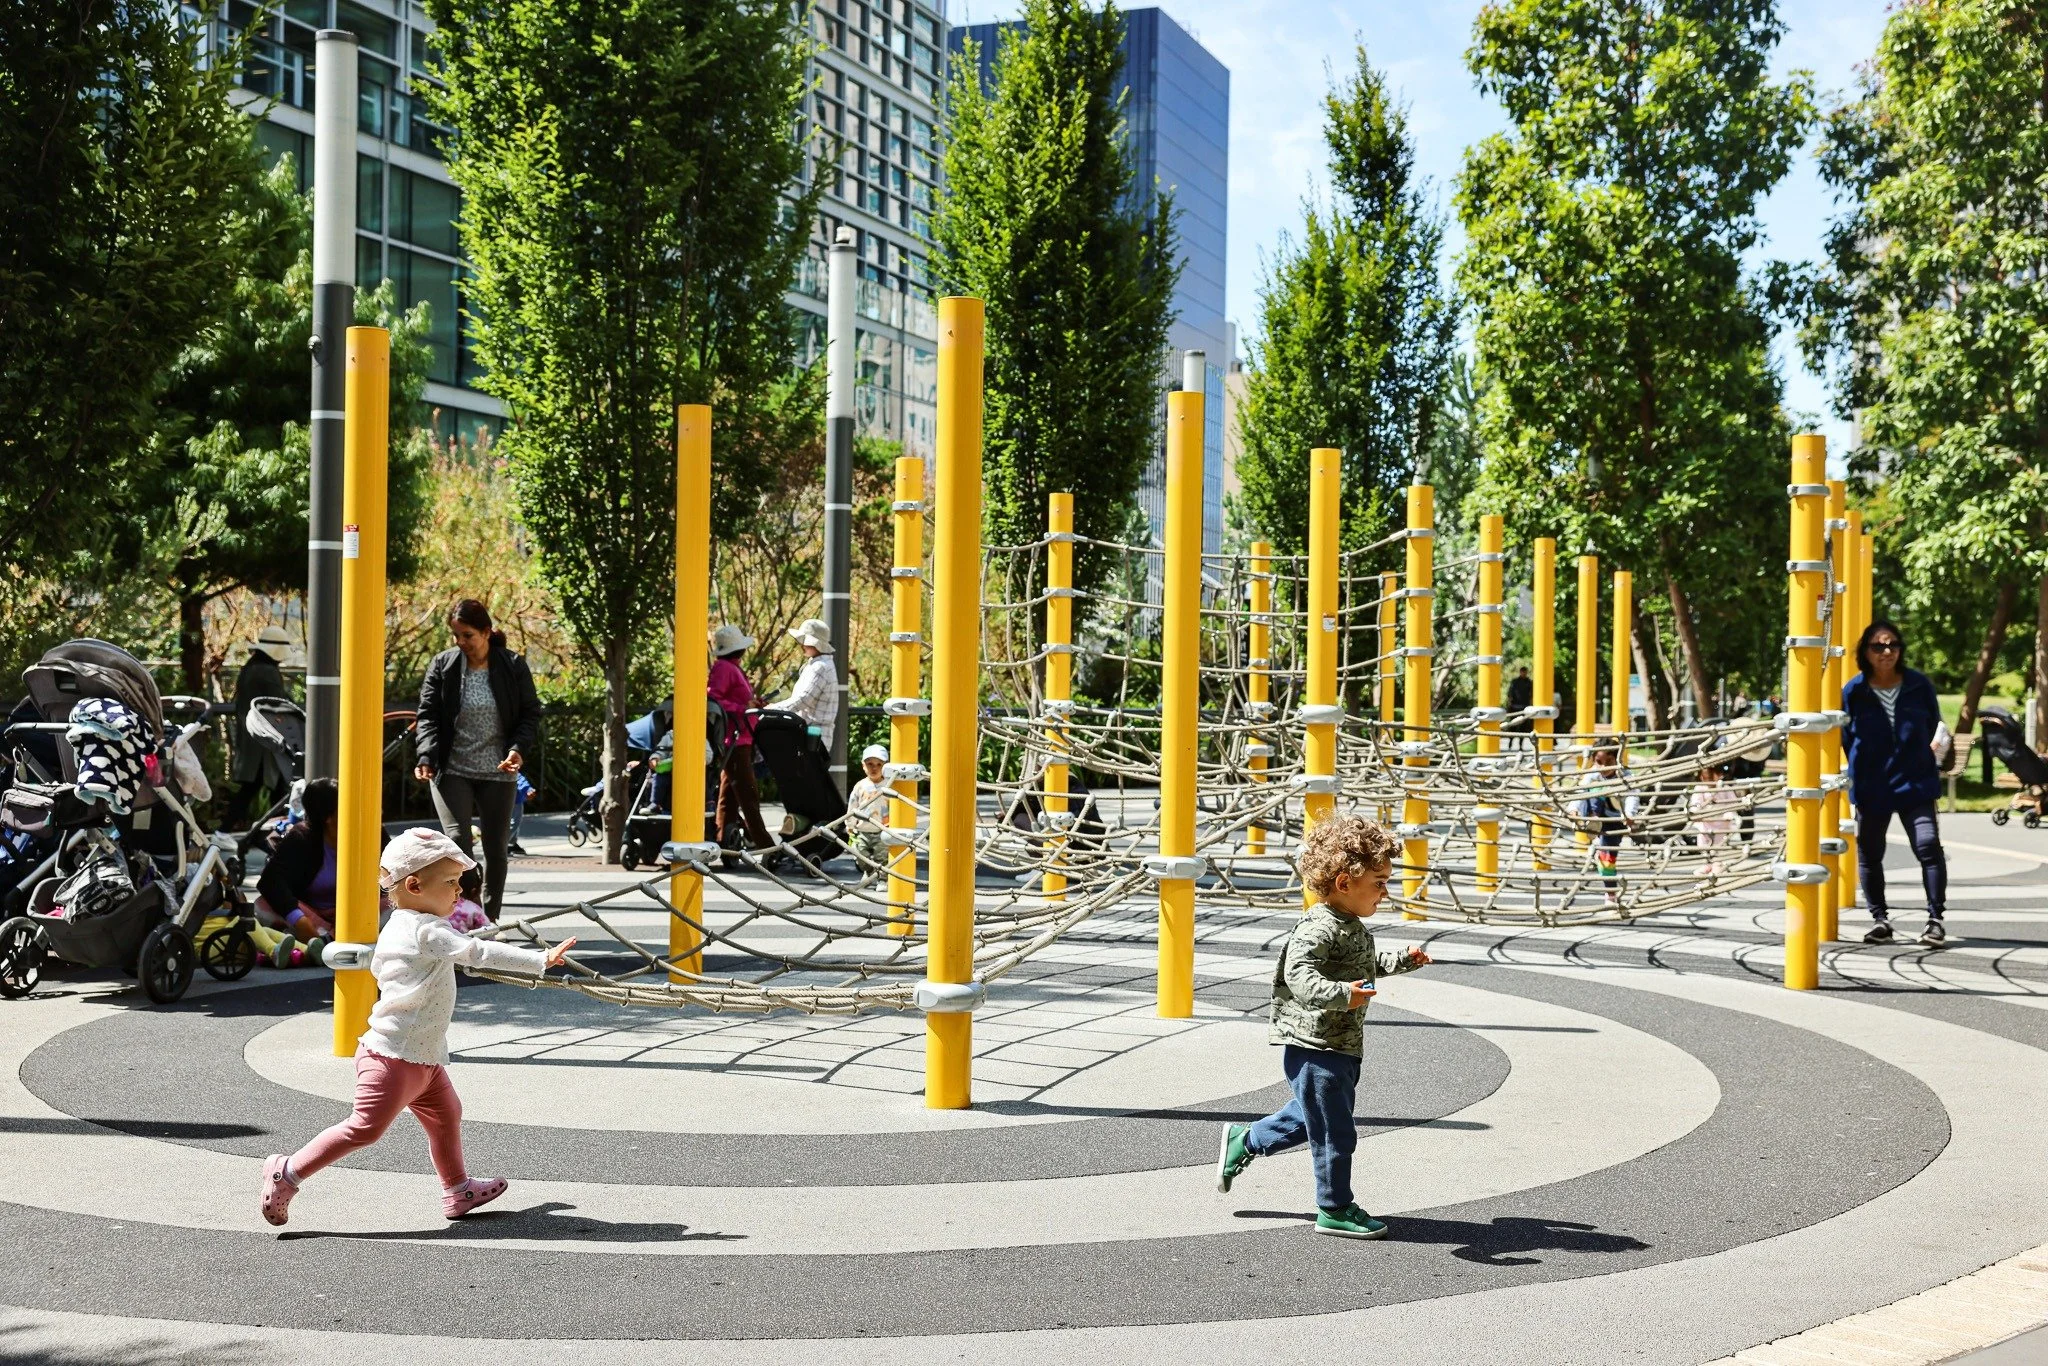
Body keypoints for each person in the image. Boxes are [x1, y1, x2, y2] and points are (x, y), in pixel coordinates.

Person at [259, 828, 575, 1228]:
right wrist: (539, 960)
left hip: (420, 1056)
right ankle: (286, 1171)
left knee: (447, 1115)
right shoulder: (427, 929)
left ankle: (457, 1189)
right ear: (413, 884)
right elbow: (476, 953)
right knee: (364, 1129)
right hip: (394, 1057)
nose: (458, 891)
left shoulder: (398, 924)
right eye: (450, 883)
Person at [1215, 815, 1431, 1239]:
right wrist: (1339, 993)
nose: (1386, 890)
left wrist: (1402, 960)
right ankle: (1334, 1207)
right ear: (1345, 882)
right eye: (1380, 881)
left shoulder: (1351, 926)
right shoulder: (1317, 926)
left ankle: (1245, 1141)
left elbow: (1364, 968)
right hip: (1315, 1044)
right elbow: (1299, 975)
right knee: (1335, 1129)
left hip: (1342, 1043)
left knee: (1308, 1116)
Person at [412, 600, 541, 921]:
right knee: (458, 845)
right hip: (452, 769)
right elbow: (427, 715)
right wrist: (426, 754)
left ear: (486, 632)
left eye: (467, 635)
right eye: (455, 635)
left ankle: (490, 918)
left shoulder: (513, 665)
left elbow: (530, 714)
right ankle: (469, 909)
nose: (460, 642)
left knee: (497, 850)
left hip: (499, 770)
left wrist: (518, 749)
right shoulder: (443, 666)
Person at [1843, 619, 1951, 946]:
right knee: (1871, 853)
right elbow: (1848, 738)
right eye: (1878, 646)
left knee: (1928, 845)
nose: (1887, 652)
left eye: (1893, 645)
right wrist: (1864, 768)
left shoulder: (1919, 685)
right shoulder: (1854, 691)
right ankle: (1880, 920)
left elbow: (1933, 723)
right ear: (1865, 652)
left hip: (1915, 781)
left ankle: (1935, 919)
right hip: (1872, 785)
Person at [254, 775, 340, 954]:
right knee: (262, 906)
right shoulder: (302, 837)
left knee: (392, 902)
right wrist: (298, 919)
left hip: (356, 914)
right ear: (328, 817)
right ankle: (319, 940)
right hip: (313, 914)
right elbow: (270, 881)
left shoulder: (372, 831)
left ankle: (320, 943)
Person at [223, 626, 297, 829]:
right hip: (265, 744)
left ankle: (233, 831)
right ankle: (279, 832)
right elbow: (278, 701)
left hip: (254, 739)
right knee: (275, 790)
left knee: (258, 789)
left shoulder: (252, 667)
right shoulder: (266, 671)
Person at [707, 624, 772, 852]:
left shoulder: (728, 668)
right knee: (748, 794)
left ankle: (724, 840)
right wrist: (743, 706)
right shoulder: (726, 669)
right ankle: (765, 845)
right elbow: (713, 699)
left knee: (730, 796)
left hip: (738, 738)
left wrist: (750, 704)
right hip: (735, 739)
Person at [773, 618, 839, 752]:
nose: (802, 645)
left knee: (806, 771)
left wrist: (773, 709)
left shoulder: (820, 667)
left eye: (805, 642)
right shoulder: (820, 664)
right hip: (813, 733)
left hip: (813, 734)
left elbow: (803, 699)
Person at [1688, 760, 1744, 875]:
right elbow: (1695, 803)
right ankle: (1707, 864)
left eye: (1711, 779)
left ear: (1719, 775)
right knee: (1703, 844)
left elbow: (1732, 803)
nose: (1708, 782)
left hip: (1721, 823)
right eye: (1705, 779)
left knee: (1719, 846)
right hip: (1705, 823)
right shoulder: (1700, 788)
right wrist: (1696, 812)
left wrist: (1729, 813)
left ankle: (1717, 864)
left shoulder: (1725, 788)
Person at [846, 744, 892, 866]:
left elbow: (896, 806)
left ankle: (882, 879)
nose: (874, 768)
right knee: (860, 855)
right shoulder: (860, 786)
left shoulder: (889, 786)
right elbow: (853, 805)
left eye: (879, 764)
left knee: (881, 858)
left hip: (883, 829)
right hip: (863, 829)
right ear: (863, 765)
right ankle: (868, 872)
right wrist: (850, 824)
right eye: (870, 764)